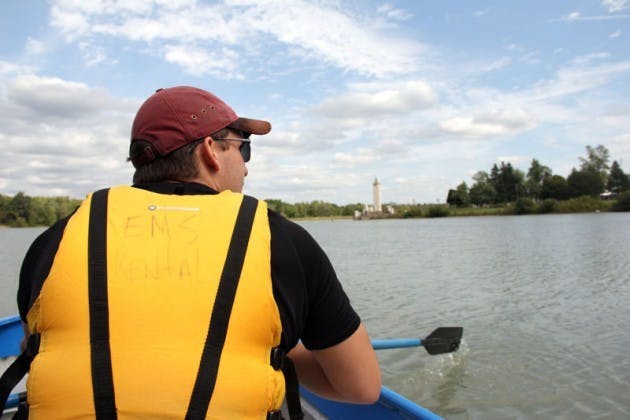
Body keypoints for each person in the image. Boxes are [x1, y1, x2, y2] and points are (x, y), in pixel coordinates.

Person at [10, 86, 381, 418]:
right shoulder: (282, 241)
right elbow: (361, 387)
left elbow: (38, 343)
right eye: (244, 148)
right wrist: (275, 349)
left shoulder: (56, 240)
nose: (247, 169)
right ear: (211, 151)